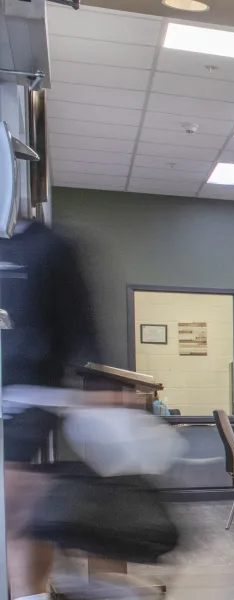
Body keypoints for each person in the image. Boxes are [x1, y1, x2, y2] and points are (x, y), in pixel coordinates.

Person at [1, 215, 100, 600]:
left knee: (20, 521)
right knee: (20, 523)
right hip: (27, 398)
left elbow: (82, 332)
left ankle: (31, 593)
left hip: (30, 398)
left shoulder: (48, 247)